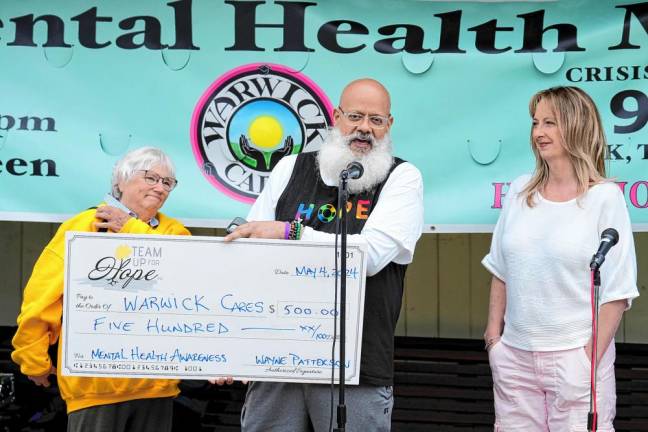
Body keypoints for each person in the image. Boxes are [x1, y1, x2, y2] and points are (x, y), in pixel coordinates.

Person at [225, 78, 424, 431]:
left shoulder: (402, 177)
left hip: (356, 369)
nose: (364, 128)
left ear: (389, 125)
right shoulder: (289, 167)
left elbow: (371, 256)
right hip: (276, 359)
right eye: (355, 116)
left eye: (376, 120)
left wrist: (291, 232)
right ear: (336, 116)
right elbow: (251, 247)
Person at [482, 87, 639, 431]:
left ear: (577, 125)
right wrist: (495, 339)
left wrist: (586, 362)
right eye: (536, 123)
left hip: (575, 358)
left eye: (550, 123)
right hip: (514, 358)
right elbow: (500, 269)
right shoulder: (521, 191)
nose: (538, 132)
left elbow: (617, 292)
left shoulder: (605, 198)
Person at [11, 147, 191, 432]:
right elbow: (42, 297)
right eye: (151, 178)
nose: (160, 187)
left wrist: (130, 227)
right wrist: (32, 357)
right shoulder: (83, 226)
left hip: (157, 389)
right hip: (94, 389)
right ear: (120, 181)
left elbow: (186, 276)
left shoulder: (175, 232)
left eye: (167, 182)